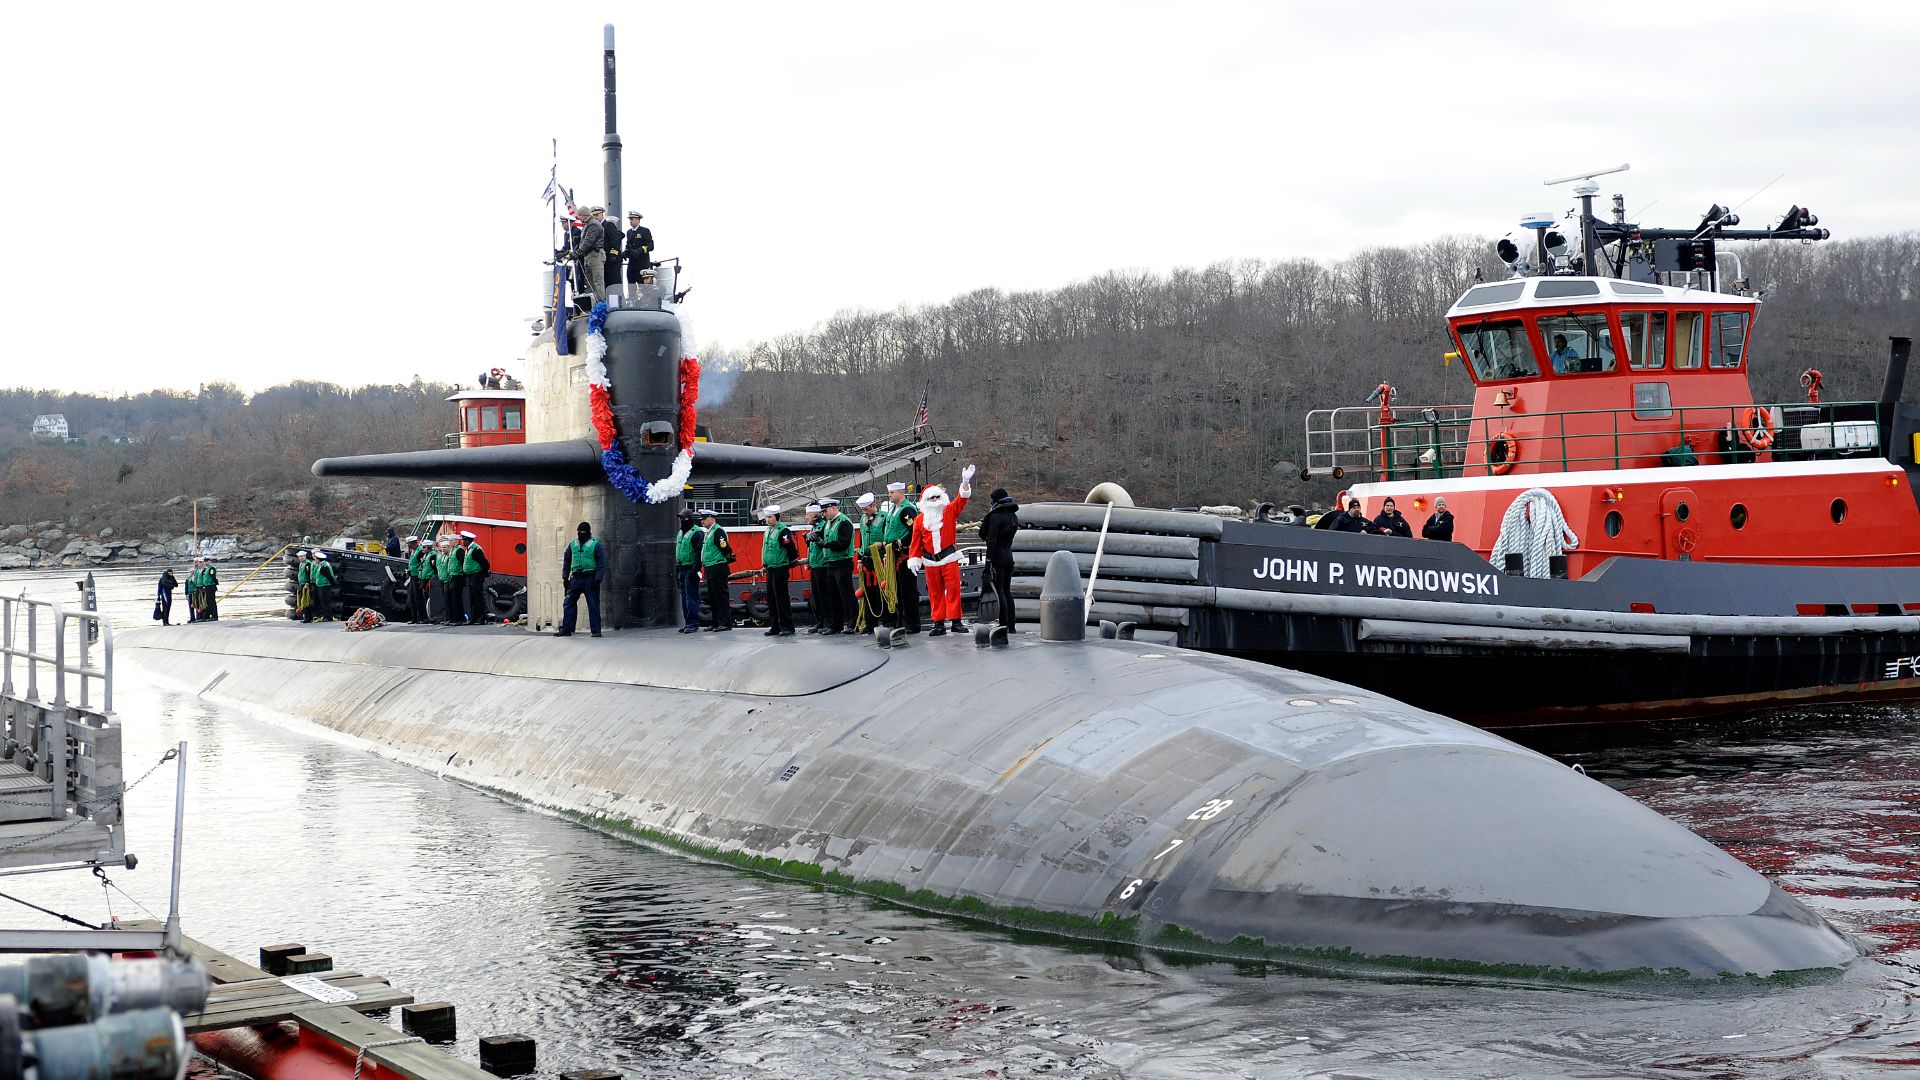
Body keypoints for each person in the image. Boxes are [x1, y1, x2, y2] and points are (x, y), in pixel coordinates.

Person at [907, 465, 974, 636]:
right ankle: (938, 623)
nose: (936, 500)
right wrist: (914, 559)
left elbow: (961, 500)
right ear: (925, 501)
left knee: (954, 590)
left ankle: (956, 622)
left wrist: (965, 482)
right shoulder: (919, 520)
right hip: (930, 561)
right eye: (932, 498)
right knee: (935, 593)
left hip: (949, 557)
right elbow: (915, 543)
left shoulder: (949, 511)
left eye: (938, 496)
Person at [881, 482, 921, 633]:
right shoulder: (893, 509)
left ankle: (912, 624)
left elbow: (914, 530)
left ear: (900, 492)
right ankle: (900, 621)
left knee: (908, 591)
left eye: (892, 493)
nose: (889, 495)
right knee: (897, 590)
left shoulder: (907, 510)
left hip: (905, 555)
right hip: (894, 555)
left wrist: (900, 542)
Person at [814, 498, 857, 634]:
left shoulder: (844, 522)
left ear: (833, 508)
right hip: (831, 563)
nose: (824, 514)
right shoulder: (829, 522)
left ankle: (852, 623)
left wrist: (826, 544)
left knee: (846, 594)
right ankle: (835, 625)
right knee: (833, 595)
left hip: (842, 562)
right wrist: (815, 535)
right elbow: (823, 533)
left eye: (825, 511)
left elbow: (843, 543)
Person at [978, 486, 1019, 630]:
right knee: (1007, 591)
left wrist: (988, 562)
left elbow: (991, 540)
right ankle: (1012, 626)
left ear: (995, 501)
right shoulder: (1013, 516)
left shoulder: (995, 516)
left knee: (999, 589)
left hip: (997, 558)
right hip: (1009, 556)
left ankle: (1003, 624)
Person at [556, 520, 605, 637]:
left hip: (590, 577)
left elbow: (601, 563)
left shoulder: (595, 545)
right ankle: (567, 629)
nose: (580, 533)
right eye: (579, 531)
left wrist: (598, 578)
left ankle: (596, 631)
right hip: (576, 578)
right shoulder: (573, 545)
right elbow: (567, 561)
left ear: (588, 532)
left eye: (582, 531)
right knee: (569, 602)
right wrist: (565, 577)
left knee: (593, 604)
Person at [758, 505, 798, 637]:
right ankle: (775, 625)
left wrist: (788, 561)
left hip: (780, 567)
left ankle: (787, 626)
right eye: (766, 517)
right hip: (770, 567)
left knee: (781, 598)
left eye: (770, 517)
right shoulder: (768, 530)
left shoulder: (783, 531)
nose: (767, 520)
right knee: (771, 598)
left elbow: (791, 549)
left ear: (777, 517)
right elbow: (766, 549)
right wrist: (764, 564)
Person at [697, 510, 735, 631]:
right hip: (710, 567)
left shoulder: (718, 531)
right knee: (713, 597)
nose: (702, 521)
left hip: (718, 567)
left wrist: (725, 558)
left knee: (721, 597)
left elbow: (725, 547)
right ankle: (716, 622)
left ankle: (725, 623)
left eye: (704, 519)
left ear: (712, 518)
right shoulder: (709, 532)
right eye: (701, 519)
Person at [802, 504, 832, 634]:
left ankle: (827, 622)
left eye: (808, 515)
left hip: (822, 565)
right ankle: (820, 622)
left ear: (815, 515)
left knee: (824, 596)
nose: (806, 517)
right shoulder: (814, 528)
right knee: (816, 596)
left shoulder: (823, 526)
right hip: (814, 565)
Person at [674, 508, 704, 633]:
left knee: (691, 597)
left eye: (684, 518)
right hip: (681, 567)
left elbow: (699, 552)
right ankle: (687, 622)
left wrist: (695, 569)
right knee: (684, 596)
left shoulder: (697, 533)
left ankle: (693, 623)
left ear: (690, 519)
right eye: (681, 518)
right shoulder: (681, 532)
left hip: (691, 568)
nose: (682, 520)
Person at [570, 205, 605, 302]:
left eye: (579, 216)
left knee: (597, 281)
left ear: (584, 215)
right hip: (588, 256)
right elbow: (585, 241)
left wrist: (578, 252)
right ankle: (591, 304)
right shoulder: (588, 224)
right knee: (589, 282)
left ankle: (600, 304)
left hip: (595, 255)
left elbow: (589, 241)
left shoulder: (593, 224)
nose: (579, 218)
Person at [624, 210, 653, 298]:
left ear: (638, 220)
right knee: (631, 286)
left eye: (632, 219)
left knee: (643, 287)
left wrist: (640, 250)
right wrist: (625, 253)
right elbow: (628, 245)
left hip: (642, 264)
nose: (630, 221)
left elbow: (651, 246)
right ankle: (632, 301)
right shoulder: (629, 232)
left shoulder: (644, 231)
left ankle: (645, 302)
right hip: (632, 264)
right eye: (630, 219)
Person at [594, 207, 622, 300]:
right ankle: (610, 303)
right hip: (603, 260)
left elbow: (615, 240)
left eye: (597, 215)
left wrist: (613, 254)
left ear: (602, 215)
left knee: (614, 283)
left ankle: (619, 303)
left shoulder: (608, 225)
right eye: (594, 216)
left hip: (612, 259)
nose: (595, 217)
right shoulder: (596, 227)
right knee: (606, 283)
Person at [437, 536, 464, 626]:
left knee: (456, 599)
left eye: (451, 541)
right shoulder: (452, 551)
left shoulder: (458, 550)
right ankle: (451, 618)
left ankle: (458, 619)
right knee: (450, 600)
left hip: (456, 576)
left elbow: (462, 562)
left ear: (456, 541)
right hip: (450, 577)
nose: (449, 542)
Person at [404, 535, 430, 623]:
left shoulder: (420, 552)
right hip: (412, 576)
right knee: (412, 597)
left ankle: (423, 618)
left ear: (413, 543)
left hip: (417, 577)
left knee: (418, 598)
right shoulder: (413, 551)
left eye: (409, 544)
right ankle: (414, 617)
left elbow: (423, 564)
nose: (408, 546)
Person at [308, 551, 334, 622]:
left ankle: (328, 617)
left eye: (316, 559)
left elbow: (329, 576)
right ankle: (325, 616)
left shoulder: (324, 566)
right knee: (323, 601)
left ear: (319, 559)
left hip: (324, 586)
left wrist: (332, 583)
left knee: (325, 602)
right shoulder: (322, 565)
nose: (315, 560)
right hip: (321, 585)